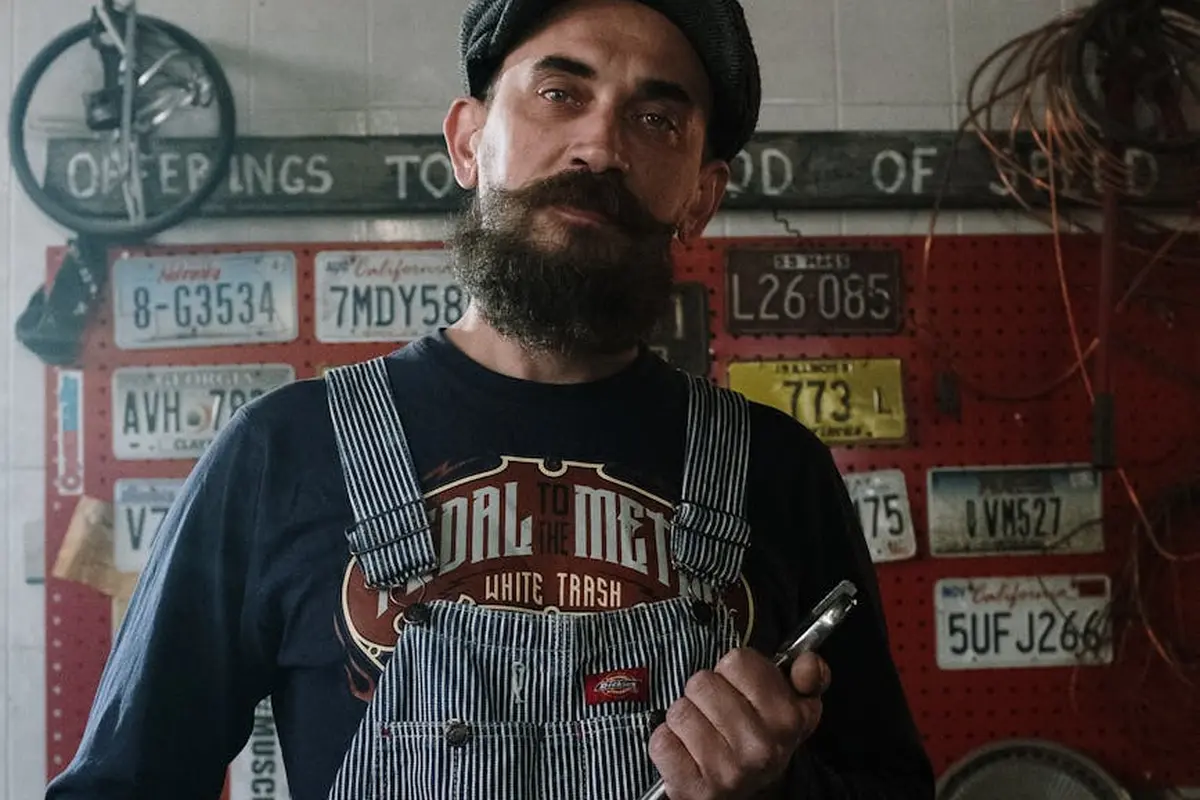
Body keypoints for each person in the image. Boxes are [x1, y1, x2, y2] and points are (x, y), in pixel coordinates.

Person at [46, 0, 936, 798]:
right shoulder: (284, 452)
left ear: (702, 194)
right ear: (469, 141)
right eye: (559, 92)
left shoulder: (778, 473)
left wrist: (779, 793)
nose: (601, 145)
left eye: (657, 117)